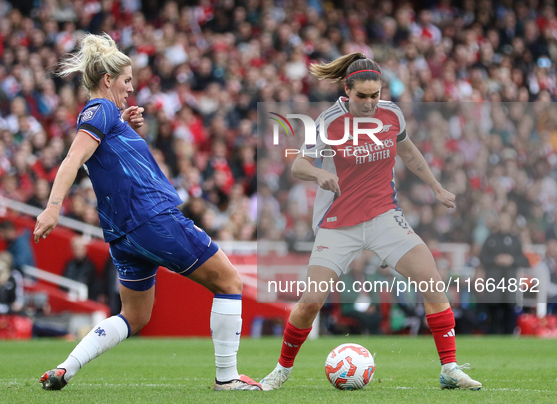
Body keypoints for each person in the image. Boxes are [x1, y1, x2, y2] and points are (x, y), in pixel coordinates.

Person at [33, 34, 260, 391]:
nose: (131, 86)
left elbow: (106, 154)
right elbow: (73, 158)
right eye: (126, 80)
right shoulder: (100, 109)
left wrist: (122, 123)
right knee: (229, 282)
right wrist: (53, 208)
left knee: (135, 316)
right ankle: (227, 379)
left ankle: (66, 368)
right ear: (108, 80)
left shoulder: (107, 116)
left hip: (122, 234)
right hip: (152, 218)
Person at [260, 53, 481, 391]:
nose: (369, 103)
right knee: (310, 304)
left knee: (432, 282)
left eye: (375, 95)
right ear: (346, 91)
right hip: (338, 222)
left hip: (383, 216)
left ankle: (449, 368)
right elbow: (298, 166)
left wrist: (435, 186)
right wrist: (319, 172)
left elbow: (407, 152)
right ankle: (281, 370)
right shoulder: (328, 122)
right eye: (361, 96)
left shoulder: (392, 113)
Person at [479, 212, 530, 334]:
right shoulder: (491, 238)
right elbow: (482, 257)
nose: (503, 224)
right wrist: (495, 260)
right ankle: (492, 335)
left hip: (509, 281)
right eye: (501, 222)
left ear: (510, 223)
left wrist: (512, 260)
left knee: (509, 311)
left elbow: (524, 260)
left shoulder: (515, 239)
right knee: (494, 312)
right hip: (494, 282)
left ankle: (509, 334)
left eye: (506, 222)